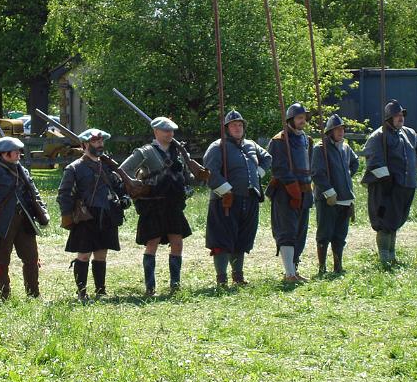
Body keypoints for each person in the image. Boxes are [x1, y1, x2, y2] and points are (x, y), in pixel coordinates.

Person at [120, 117, 194, 295]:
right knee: (152, 243)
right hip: (153, 205)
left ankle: (175, 285)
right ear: (156, 131)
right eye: (165, 131)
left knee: (177, 243)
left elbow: (187, 174)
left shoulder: (178, 151)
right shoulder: (145, 152)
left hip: (174, 205)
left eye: (171, 131)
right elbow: (124, 169)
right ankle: (150, 287)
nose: (170, 134)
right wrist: (136, 184)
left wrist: (187, 186)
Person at [57, 128, 131, 301]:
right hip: (86, 217)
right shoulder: (74, 168)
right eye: (96, 141)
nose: (100, 144)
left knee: (101, 254)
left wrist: (125, 197)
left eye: (101, 141)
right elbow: (64, 194)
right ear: (85, 145)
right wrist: (69, 216)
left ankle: (100, 291)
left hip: (106, 214)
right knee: (83, 255)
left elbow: (118, 186)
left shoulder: (107, 165)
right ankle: (82, 292)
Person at [203, 110, 271, 286]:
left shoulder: (251, 145)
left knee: (242, 238)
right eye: (233, 125)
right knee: (222, 239)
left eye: (240, 125)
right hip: (225, 201)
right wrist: (226, 190)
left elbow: (267, 158)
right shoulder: (218, 146)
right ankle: (222, 279)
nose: (237, 128)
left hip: (249, 199)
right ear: (227, 128)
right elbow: (210, 172)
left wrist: (258, 174)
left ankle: (238, 276)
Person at [361, 99, 417, 264]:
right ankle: (385, 258)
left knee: (396, 220)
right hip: (386, 188)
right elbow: (373, 159)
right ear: (388, 118)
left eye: (401, 115)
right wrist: (385, 177)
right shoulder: (378, 136)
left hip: (406, 186)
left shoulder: (409, 133)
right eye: (396, 116)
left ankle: (392, 257)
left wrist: (415, 163)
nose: (400, 118)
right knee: (385, 222)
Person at [0, 136, 47, 299]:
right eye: (15, 152)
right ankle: (4, 295)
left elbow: (33, 190)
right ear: (5, 154)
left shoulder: (21, 169)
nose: (19, 155)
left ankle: (33, 294)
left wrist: (42, 209)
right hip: (3, 220)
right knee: (2, 259)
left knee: (31, 258)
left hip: (24, 219)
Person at [265, 103, 314, 283]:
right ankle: (289, 273)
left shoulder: (307, 140)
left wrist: (305, 188)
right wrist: (292, 187)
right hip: (285, 192)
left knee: (300, 231)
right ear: (291, 120)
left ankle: (295, 268)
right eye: (299, 118)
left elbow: (309, 165)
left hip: (305, 190)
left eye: (304, 118)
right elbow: (277, 167)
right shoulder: (279, 140)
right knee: (288, 231)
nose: (303, 121)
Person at [311, 114, 359, 275]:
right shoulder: (320, 148)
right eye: (337, 129)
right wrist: (329, 191)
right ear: (330, 131)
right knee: (324, 234)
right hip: (326, 199)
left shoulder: (345, 148)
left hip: (345, 198)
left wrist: (345, 175)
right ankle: (322, 267)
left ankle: (338, 265)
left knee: (340, 235)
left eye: (342, 129)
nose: (340, 132)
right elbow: (317, 173)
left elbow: (355, 162)